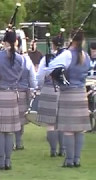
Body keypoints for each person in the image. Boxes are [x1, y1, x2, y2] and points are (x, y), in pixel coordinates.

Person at [0, 31, 36, 170]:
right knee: (9, 131)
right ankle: (9, 161)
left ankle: (1, 161)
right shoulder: (23, 59)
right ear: (16, 42)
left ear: (4, 42)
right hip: (12, 94)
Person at [46, 30, 91, 167]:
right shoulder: (86, 55)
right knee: (80, 129)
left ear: (71, 39)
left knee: (68, 129)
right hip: (82, 93)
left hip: (68, 93)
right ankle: (77, 159)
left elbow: (51, 68)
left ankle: (69, 160)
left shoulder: (67, 54)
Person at [36, 34, 66, 157]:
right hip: (65, 90)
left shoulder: (47, 58)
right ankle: (62, 150)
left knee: (50, 124)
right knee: (62, 122)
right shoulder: (69, 57)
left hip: (49, 89)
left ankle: (53, 150)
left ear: (53, 45)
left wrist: (41, 86)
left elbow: (40, 76)